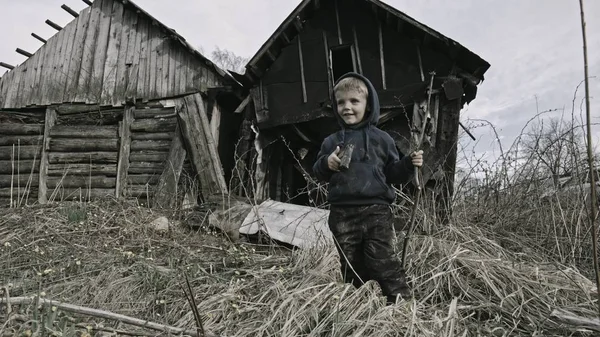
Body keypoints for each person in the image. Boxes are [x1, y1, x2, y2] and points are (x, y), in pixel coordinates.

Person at [312, 72, 423, 304]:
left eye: (354, 101)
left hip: (377, 211)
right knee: (351, 263)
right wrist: (327, 163)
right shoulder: (331, 142)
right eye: (341, 102)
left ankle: (400, 302)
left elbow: (393, 173)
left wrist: (408, 164)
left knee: (381, 258)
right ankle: (357, 306)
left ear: (368, 104)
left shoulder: (382, 139)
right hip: (342, 213)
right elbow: (318, 171)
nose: (347, 107)